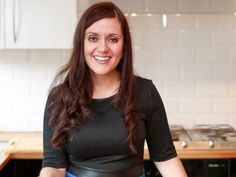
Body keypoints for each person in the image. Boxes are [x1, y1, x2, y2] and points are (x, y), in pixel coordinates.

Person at [39, 2, 188, 177]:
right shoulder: (59, 97)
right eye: (93, 38)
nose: (103, 48)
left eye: (112, 39)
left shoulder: (144, 92)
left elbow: (166, 158)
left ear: (124, 47)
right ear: (81, 44)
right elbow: (54, 165)